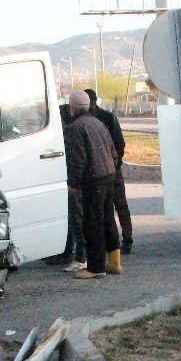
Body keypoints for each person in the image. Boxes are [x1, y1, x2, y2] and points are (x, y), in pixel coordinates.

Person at [64, 90, 121, 279]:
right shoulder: (98, 123)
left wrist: (74, 183)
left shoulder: (75, 128)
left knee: (92, 223)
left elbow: (77, 160)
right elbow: (113, 150)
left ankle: (96, 268)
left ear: (73, 108)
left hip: (93, 178)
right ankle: (115, 262)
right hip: (109, 175)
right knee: (107, 219)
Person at [83, 88, 133, 254]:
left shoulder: (108, 118)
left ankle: (127, 239)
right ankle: (112, 243)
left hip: (111, 169)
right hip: (97, 172)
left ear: (94, 102)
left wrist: (115, 164)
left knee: (120, 206)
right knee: (105, 209)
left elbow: (119, 143)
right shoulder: (84, 120)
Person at [45, 103, 87, 271]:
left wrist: (73, 182)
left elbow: (75, 160)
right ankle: (69, 252)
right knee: (71, 220)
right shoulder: (71, 131)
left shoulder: (70, 133)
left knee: (77, 220)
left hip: (74, 184)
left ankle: (80, 257)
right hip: (74, 182)